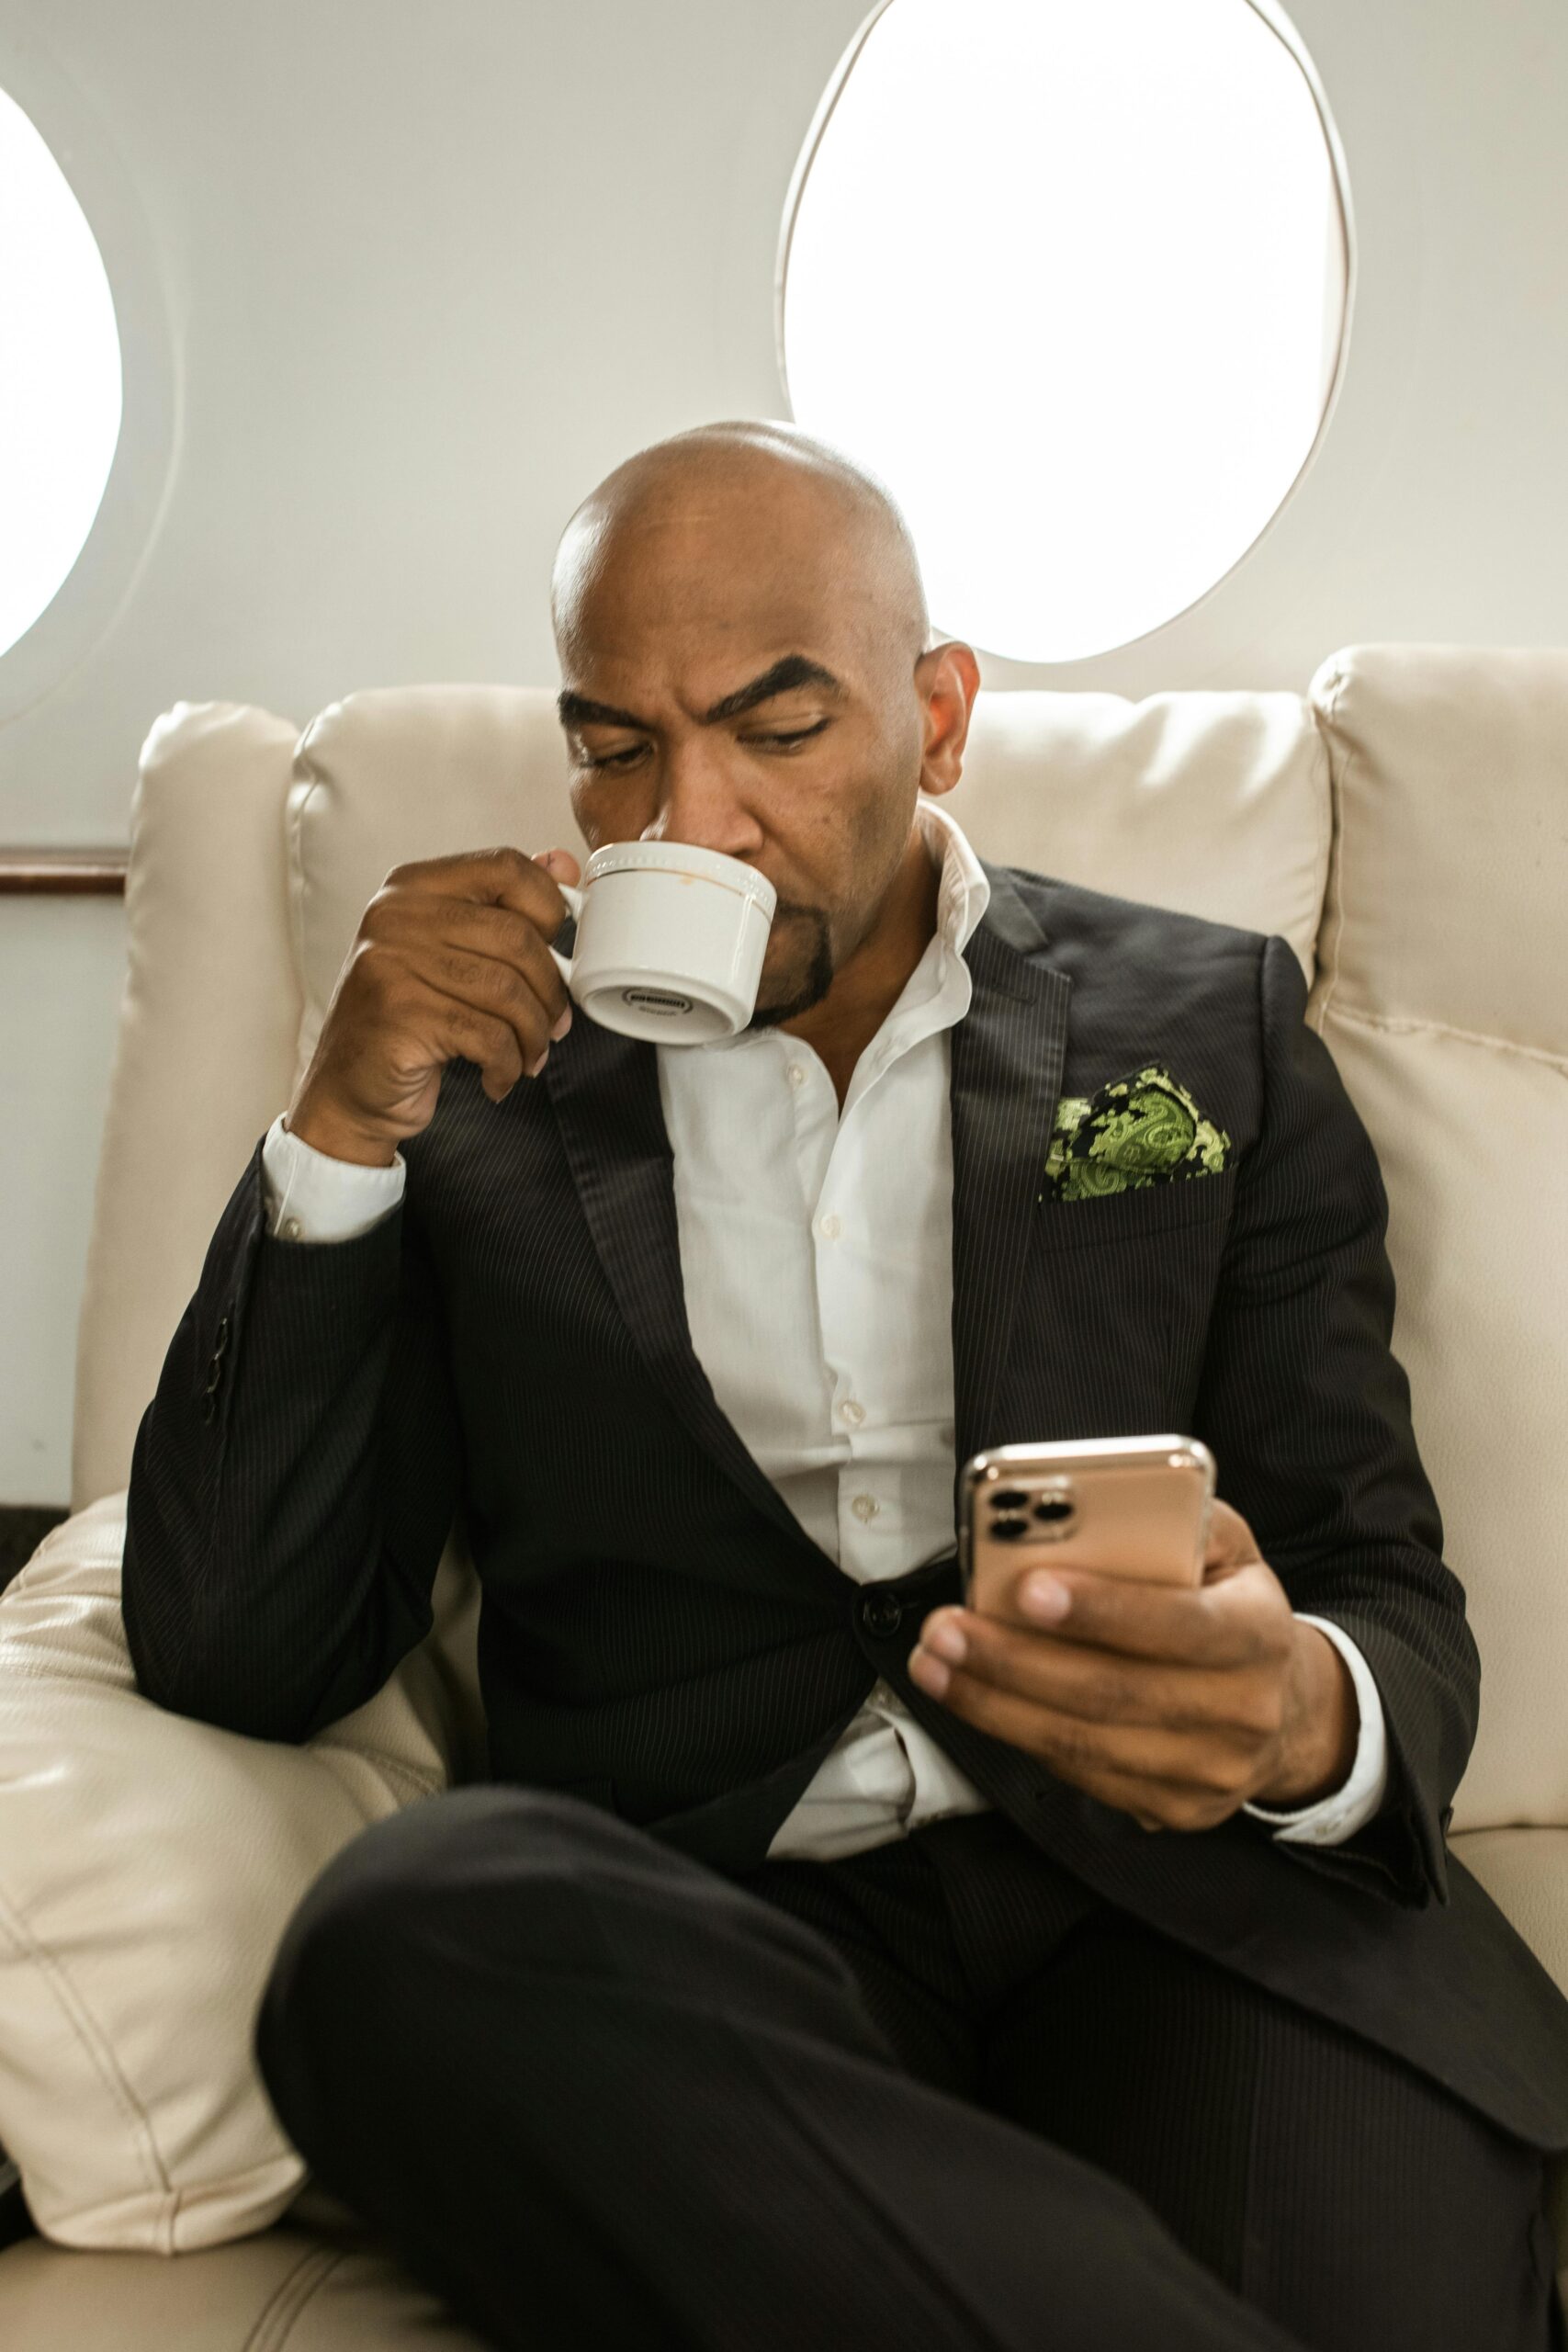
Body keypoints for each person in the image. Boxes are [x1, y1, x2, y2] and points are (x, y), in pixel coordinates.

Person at [122, 421, 1568, 2351]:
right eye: (613, 747)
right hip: (719, 1941)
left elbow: (1376, 1576)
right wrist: (331, 1136)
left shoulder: (1207, 1024)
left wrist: (1301, 1716)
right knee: (394, 1933)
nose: (689, 820)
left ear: (937, 717)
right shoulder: (475, 1091)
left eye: (776, 729)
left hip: (1195, 1911)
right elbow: (236, 1646)